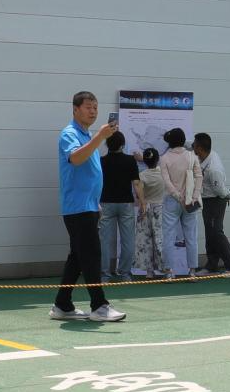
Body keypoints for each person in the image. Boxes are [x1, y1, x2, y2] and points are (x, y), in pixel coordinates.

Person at [51, 91, 126, 322]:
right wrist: (100, 137)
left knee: (78, 257)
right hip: (78, 208)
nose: (93, 111)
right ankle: (99, 305)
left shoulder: (88, 135)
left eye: (95, 107)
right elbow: (75, 159)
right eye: (88, 107)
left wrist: (96, 204)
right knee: (92, 255)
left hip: (88, 207)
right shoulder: (70, 134)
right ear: (75, 109)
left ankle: (62, 305)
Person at [99, 132, 145, 282]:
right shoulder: (130, 160)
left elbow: (96, 184)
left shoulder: (101, 161)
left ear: (107, 144)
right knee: (128, 240)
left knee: (104, 240)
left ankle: (105, 274)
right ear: (122, 145)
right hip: (126, 203)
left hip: (105, 203)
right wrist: (142, 202)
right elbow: (136, 183)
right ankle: (125, 273)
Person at [193, 133, 230, 276]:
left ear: (200, 148)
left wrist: (228, 195)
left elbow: (220, 189)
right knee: (210, 232)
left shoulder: (213, 169)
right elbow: (188, 144)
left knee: (216, 233)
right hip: (207, 200)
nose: (192, 147)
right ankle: (211, 265)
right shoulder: (208, 154)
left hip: (216, 200)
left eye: (194, 145)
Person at [160, 128, 202, 278]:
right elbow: (199, 177)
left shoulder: (164, 158)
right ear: (184, 140)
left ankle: (169, 272)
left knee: (169, 237)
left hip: (172, 201)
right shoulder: (192, 156)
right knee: (191, 236)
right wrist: (194, 196)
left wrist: (178, 196)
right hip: (191, 201)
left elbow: (166, 182)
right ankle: (192, 271)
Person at [134, 148, 167, 279]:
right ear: (158, 159)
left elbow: (138, 194)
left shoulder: (142, 175)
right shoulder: (163, 172)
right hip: (160, 208)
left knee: (145, 240)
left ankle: (149, 271)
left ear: (145, 161)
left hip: (145, 208)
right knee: (160, 239)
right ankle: (165, 268)